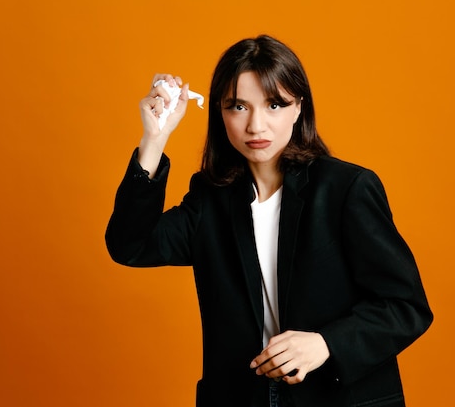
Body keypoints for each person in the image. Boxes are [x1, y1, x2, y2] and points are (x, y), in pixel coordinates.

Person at [106, 35, 433, 407]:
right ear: (220, 113)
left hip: (338, 397)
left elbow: (407, 306)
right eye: (238, 107)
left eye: (275, 104)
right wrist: (155, 140)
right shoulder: (211, 199)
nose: (256, 125)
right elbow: (129, 245)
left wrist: (326, 343)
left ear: (298, 109)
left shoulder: (347, 189)